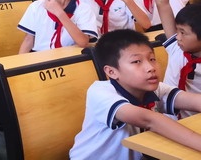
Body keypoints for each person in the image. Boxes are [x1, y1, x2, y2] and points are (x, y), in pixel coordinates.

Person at [69, 29, 201, 160]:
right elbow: (149, 120)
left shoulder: (154, 88)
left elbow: (195, 101)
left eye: (152, 59)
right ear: (111, 72)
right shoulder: (100, 92)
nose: (151, 67)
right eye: (136, 61)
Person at [151, 0, 201, 118]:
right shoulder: (177, 49)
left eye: (183, 33)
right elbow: (163, 3)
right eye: (178, 31)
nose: (177, 36)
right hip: (169, 122)